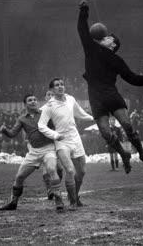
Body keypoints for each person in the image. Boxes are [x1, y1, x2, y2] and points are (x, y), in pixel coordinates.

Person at [77, 0, 143, 174]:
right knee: (106, 134)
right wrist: (84, 11)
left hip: (111, 95)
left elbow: (132, 78)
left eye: (108, 37)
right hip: (96, 97)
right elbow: (82, 29)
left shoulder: (117, 60)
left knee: (127, 126)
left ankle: (142, 155)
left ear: (113, 44)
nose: (105, 37)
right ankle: (124, 154)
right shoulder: (91, 48)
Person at [0, 93, 64, 212]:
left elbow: (57, 124)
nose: (33, 101)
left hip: (48, 148)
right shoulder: (22, 119)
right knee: (19, 177)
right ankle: (13, 202)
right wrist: (4, 130)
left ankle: (58, 200)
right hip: (33, 151)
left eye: (35, 99)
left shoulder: (45, 113)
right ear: (25, 104)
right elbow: (13, 133)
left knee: (51, 170)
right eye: (30, 100)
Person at [38, 78, 94, 210]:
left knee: (81, 172)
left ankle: (74, 197)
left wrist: (93, 118)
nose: (60, 87)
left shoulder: (71, 99)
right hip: (62, 141)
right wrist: (55, 135)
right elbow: (41, 125)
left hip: (75, 137)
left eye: (62, 84)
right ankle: (73, 202)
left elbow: (80, 113)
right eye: (57, 85)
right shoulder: (48, 106)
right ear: (51, 89)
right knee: (70, 170)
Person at [41, 89, 64, 200]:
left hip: (57, 142)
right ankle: (50, 190)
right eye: (48, 95)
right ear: (45, 98)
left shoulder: (59, 110)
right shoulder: (41, 111)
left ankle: (56, 187)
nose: (50, 96)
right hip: (45, 143)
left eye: (52, 95)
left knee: (59, 169)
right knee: (47, 169)